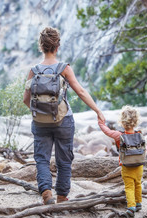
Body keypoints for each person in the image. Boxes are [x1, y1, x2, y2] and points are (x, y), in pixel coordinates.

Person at [23, 27, 105, 205]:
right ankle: (62, 197)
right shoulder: (64, 69)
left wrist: (40, 112)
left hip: (39, 122)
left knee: (42, 159)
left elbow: (25, 100)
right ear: (57, 46)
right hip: (64, 120)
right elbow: (81, 92)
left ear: (41, 46)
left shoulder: (34, 70)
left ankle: (46, 193)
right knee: (64, 160)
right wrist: (97, 110)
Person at [98, 105, 144, 218]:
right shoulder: (139, 134)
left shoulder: (119, 136)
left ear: (122, 122)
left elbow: (108, 132)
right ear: (136, 121)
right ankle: (138, 203)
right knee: (138, 184)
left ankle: (131, 207)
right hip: (139, 165)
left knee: (129, 186)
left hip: (127, 166)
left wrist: (101, 124)